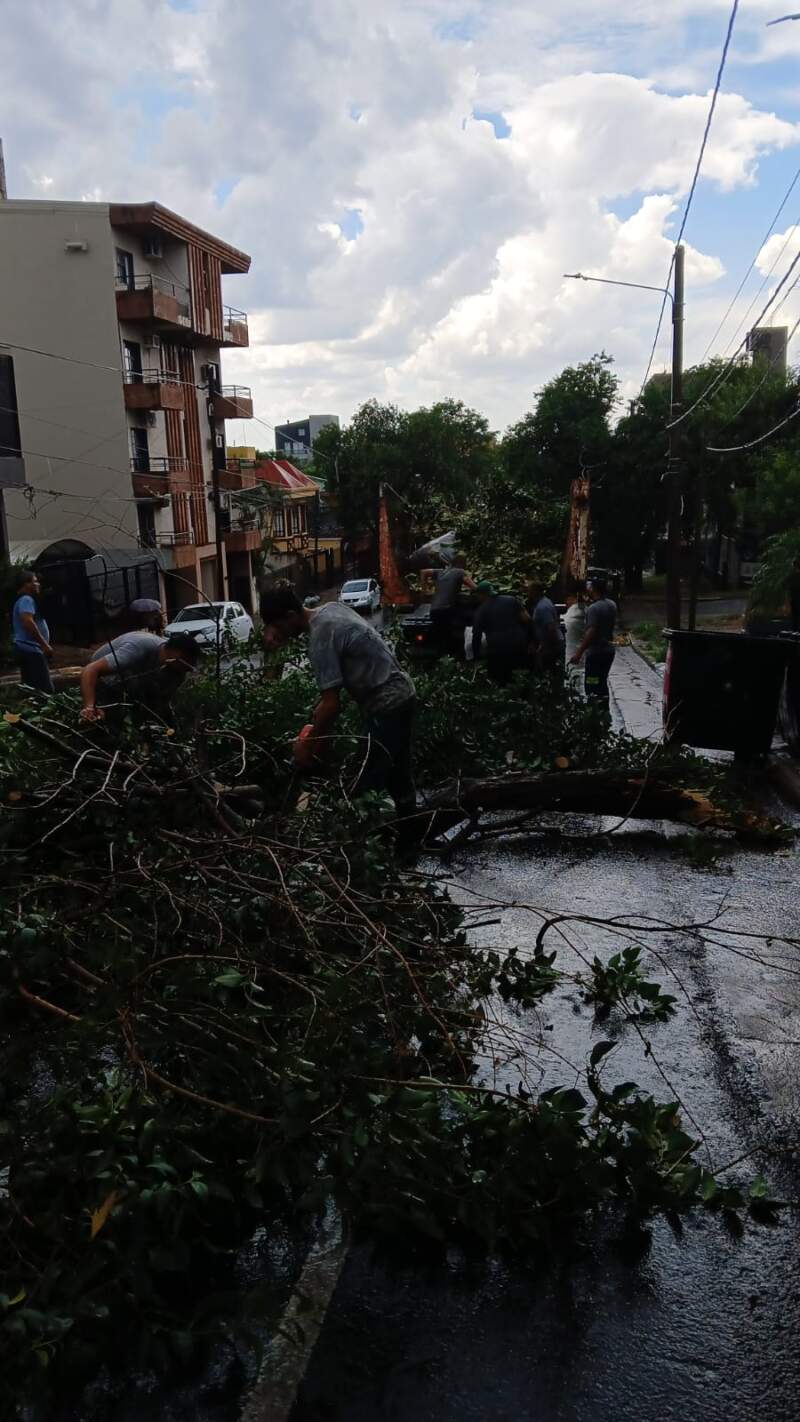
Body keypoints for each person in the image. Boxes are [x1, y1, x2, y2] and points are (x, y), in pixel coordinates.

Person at [259, 584, 417, 825]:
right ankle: (411, 832)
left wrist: (306, 747)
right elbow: (329, 697)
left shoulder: (321, 636)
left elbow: (331, 706)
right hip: (403, 692)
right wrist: (317, 720)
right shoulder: (331, 609)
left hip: (387, 703)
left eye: (280, 626)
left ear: (291, 615)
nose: (281, 633)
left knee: (365, 784)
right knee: (398, 774)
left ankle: (365, 838)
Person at [79, 630, 202, 723]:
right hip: (108, 678)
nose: (187, 670)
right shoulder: (138, 649)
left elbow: (162, 700)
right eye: (187, 663)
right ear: (176, 654)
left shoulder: (176, 671)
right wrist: (89, 706)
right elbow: (91, 669)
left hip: (136, 681)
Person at [570, 577, 618, 709]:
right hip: (608, 651)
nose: (588, 589)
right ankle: (603, 708)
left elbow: (591, 632)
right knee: (602, 681)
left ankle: (594, 710)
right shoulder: (611, 604)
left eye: (590, 587)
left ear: (594, 589)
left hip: (596, 653)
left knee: (592, 683)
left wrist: (579, 653)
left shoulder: (594, 608)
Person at [471, 581, 531, 686]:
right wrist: (530, 640)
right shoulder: (511, 600)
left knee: (500, 681)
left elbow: (476, 635)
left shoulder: (481, 611)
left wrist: (476, 656)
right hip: (518, 645)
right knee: (519, 678)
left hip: (497, 649)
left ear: (481, 595)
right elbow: (527, 619)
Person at [11, 568, 54, 693]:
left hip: (24, 648)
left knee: (31, 689)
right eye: (35, 581)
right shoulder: (26, 599)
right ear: (26, 584)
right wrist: (44, 645)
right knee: (46, 690)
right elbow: (28, 622)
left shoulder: (21, 600)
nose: (38, 584)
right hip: (31, 650)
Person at [422, 555, 476, 647]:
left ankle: (442, 651)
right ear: (461, 564)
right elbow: (474, 587)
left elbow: (423, 572)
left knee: (440, 636)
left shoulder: (440, 572)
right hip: (446, 610)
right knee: (451, 633)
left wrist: (425, 590)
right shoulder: (460, 572)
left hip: (434, 611)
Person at [527, 579, 564, 673]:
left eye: (529, 590)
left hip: (549, 645)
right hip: (550, 643)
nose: (527, 593)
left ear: (535, 591)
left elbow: (551, 628)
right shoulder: (544, 602)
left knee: (546, 671)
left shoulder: (542, 607)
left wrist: (543, 646)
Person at [563, 583, 588, 693]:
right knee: (584, 679)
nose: (565, 603)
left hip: (571, 654)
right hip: (584, 656)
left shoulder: (569, 616)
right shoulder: (587, 611)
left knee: (572, 679)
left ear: (571, 598)